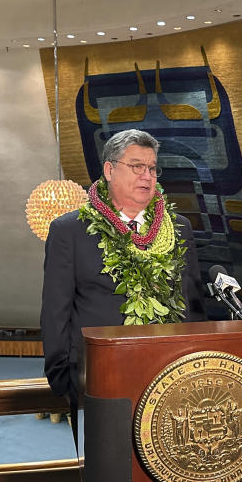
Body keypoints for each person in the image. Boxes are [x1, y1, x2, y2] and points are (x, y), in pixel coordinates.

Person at [40, 129, 205, 401]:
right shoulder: (69, 231)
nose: (147, 176)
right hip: (101, 381)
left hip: (171, 380)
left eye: (152, 168)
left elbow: (192, 306)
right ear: (109, 170)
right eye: (137, 166)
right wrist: (63, 378)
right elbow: (55, 311)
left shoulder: (179, 228)